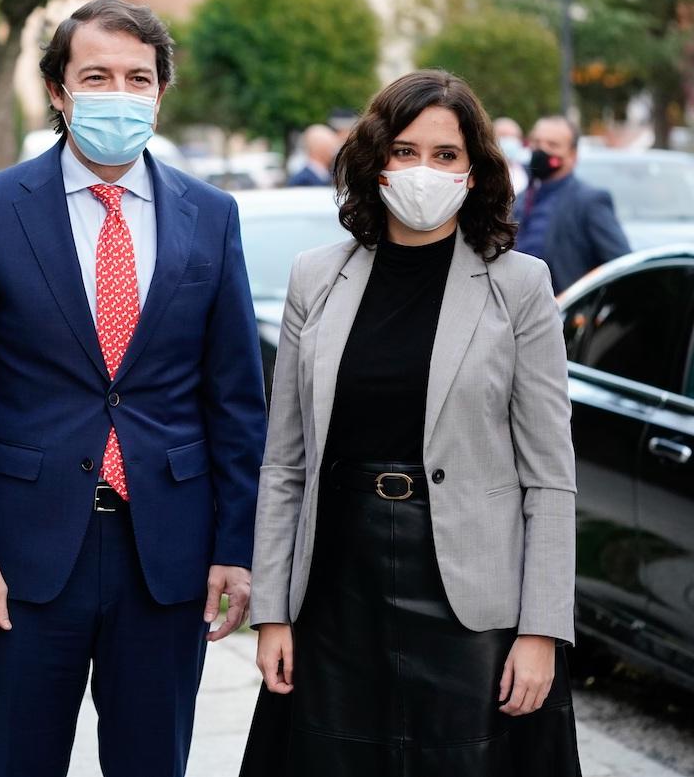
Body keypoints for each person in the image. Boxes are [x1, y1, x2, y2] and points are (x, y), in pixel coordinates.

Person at [0, 0, 267, 777]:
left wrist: (237, 547)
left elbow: (235, 399)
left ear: (160, 92)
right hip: (24, 555)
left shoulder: (211, 215)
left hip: (168, 554)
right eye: (96, 75)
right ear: (58, 90)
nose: (119, 93)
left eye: (137, 77)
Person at [242, 70, 581, 776]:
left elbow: (549, 478)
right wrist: (272, 609)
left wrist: (542, 630)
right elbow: (286, 464)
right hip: (338, 585)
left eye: (445, 154)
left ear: (473, 170)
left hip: (469, 597)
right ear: (375, 161)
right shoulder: (316, 277)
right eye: (404, 151)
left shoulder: (520, 285)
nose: (423, 169)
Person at [514, 115, 629, 293]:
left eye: (553, 145)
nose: (541, 150)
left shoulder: (589, 202)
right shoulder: (518, 200)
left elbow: (620, 266)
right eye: (536, 142)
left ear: (572, 156)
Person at [494, 116, 529, 196]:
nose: (509, 140)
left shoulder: (528, 171)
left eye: (514, 137)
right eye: (503, 135)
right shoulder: (480, 170)